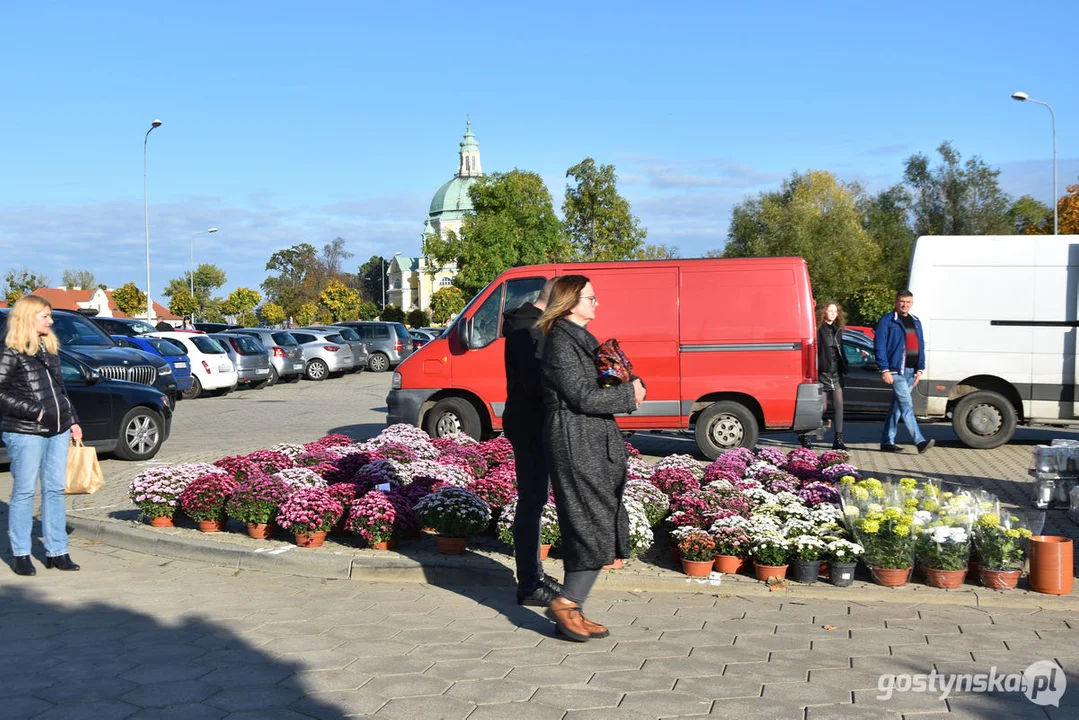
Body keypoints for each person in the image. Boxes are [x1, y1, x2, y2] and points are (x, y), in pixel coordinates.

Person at [537, 275, 646, 642]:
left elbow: (593, 391)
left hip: (589, 437)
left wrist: (623, 383)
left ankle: (573, 608)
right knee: (589, 521)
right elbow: (583, 398)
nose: (596, 303)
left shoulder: (579, 341)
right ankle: (566, 603)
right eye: (590, 298)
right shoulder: (560, 344)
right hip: (575, 439)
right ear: (569, 302)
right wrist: (629, 395)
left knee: (594, 520)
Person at [0, 295, 83, 576]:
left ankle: (58, 551)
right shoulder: (10, 351)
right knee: (24, 491)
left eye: (50, 316)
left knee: (55, 490)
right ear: (28, 317)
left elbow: (60, 391)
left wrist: (72, 420)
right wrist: (34, 412)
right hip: (25, 432)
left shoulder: (49, 349)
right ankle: (21, 552)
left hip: (58, 430)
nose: (51, 320)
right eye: (45, 316)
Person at [501, 278, 563, 606]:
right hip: (530, 425)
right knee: (532, 501)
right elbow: (534, 383)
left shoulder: (534, 327)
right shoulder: (526, 331)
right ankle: (529, 583)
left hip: (534, 423)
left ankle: (533, 573)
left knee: (534, 500)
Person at [874, 290, 934, 454]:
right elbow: (879, 346)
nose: (904, 305)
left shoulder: (915, 321)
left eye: (908, 302)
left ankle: (887, 441)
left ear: (912, 303)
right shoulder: (887, 321)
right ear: (896, 301)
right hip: (896, 371)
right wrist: (884, 369)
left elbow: (920, 345)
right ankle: (919, 441)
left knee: (897, 407)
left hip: (911, 371)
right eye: (902, 301)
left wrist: (920, 368)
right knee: (907, 405)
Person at [799, 301, 849, 450]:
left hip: (836, 372)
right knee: (822, 406)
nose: (833, 313)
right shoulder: (818, 329)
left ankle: (838, 439)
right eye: (830, 311)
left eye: (835, 311)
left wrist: (844, 364)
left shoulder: (837, 329)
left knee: (839, 404)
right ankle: (804, 434)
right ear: (824, 312)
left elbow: (839, 350)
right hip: (822, 372)